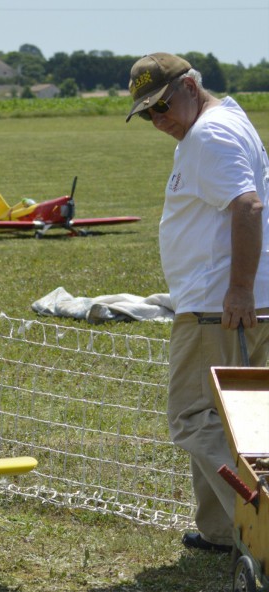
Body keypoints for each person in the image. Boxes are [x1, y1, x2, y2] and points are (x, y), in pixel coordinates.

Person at [127, 53, 269, 553]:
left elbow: (248, 206)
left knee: (192, 417)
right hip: (214, 300)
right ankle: (221, 530)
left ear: (190, 86)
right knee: (219, 415)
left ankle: (261, 519)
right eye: (147, 113)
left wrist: (239, 289)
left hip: (219, 306)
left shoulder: (209, 134)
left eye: (162, 105)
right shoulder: (219, 123)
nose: (158, 120)